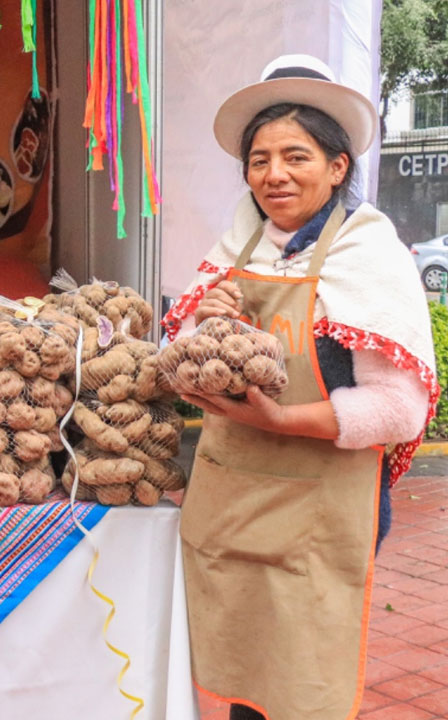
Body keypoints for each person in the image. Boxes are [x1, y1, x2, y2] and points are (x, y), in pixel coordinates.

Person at [162, 54, 437, 720]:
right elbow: (177, 359)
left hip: (321, 506)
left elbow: (399, 409)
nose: (274, 174)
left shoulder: (369, 254)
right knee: (244, 673)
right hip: (231, 495)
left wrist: (283, 421)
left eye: (296, 157)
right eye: (259, 160)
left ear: (338, 166)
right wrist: (206, 323)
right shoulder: (237, 247)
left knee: (302, 681)